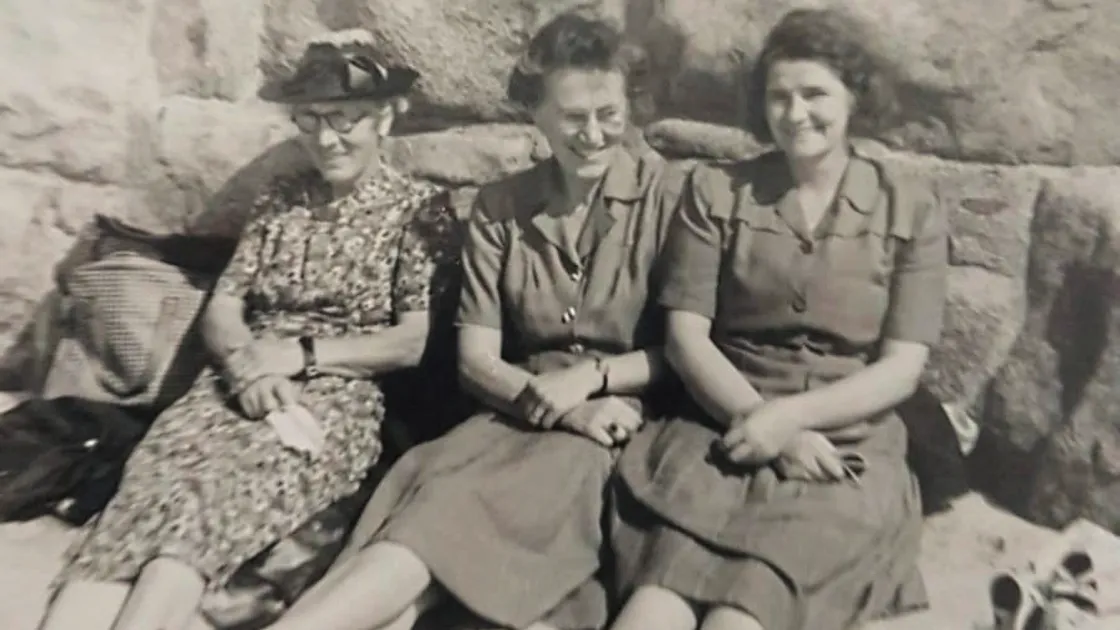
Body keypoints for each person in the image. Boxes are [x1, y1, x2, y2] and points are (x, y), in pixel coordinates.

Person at [261, 12, 688, 630]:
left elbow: (684, 349)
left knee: (443, 526)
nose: (593, 134)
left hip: (616, 427)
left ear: (631, 110)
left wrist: (591, 387)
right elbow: (476, 361)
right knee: (421, 516)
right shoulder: (502, 207)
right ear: (536, 115)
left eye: (609, 115)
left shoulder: (671, 199)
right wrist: (560, 405)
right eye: (572, 118)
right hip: (515, 413)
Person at [38, 29, 461, 630]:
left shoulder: (419, 210)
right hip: (231, 386)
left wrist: (300, 356)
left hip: (328, 400)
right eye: (310, 118)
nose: (326, 136)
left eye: (345, 119)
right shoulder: (281, 198)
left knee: (202, 513)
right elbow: (224, 306)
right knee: (143, 504)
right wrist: (241, 365)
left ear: (384, 120)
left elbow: (411, 340)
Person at [606, 8, 949, 630]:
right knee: (654, 609)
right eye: (778, 97)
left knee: (743, 613)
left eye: (814, 94)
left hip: (844, 445)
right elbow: (687, 339)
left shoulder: (911, 209)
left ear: (855, 96)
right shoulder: (716, 192)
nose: (795, 114)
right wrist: (761, 424)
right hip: (718, 427)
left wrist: (792, 421)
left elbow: (902, 369)